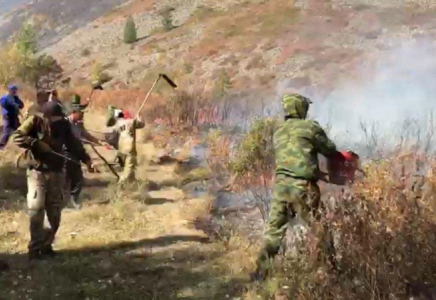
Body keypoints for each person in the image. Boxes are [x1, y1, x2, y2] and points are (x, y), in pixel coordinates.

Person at [252, 93, 338, 281]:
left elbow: (292, 159)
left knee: (274, 231)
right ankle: (332, 273)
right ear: (301, 108)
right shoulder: (310, 127)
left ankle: (260, 274)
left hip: (281, 187)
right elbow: (330, 150)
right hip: (303, 187)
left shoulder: (279, 131)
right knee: (320, 228)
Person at [12, 101, 95, 260]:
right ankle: (35, 249)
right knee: (36, 209)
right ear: (46, 116)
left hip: (57, 172)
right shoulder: (35, 121)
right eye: (53, 119)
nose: (56, 123)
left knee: (54, 210)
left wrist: (87, 160)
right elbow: (17, 136)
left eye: (58, 119)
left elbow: (74, 144)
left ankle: (46, 245)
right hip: (37, 172)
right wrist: (36, 144)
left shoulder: (64, 125)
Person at [65, 94, 106, 209]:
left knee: (77, 178)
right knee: (65, 178)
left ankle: (73, 200)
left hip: (77, 152)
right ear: (74, 112)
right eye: (81, 113)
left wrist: (100, 142)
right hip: (65, 153)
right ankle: (62, 201)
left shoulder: (79, 124)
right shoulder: (65, 123)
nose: (83, 115)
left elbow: (86, 135)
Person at [105, 105, 145, 183]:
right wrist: (139, 117)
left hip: (121, 148)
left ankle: (132, 182)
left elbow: (112, 137)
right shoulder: (130, 121)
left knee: (128, 167)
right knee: (129, 167)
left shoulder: (117, 124)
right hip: (130, 148)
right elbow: (141, 124)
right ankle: (120, 185)